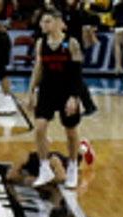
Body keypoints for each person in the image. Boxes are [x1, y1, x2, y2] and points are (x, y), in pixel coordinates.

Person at [26, 8, 84, 188]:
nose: (43, 25)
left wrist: (74, 97)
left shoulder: (71, 43)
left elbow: (77, 73)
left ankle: (72, 167)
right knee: (39, 128)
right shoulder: (41, 43)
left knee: (71, 132)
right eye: (42, 22)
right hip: (47, 90)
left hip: (67, 91)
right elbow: (38, 68)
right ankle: (44, 167)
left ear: (59, 22)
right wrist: (31, 92)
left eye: (47, 21)